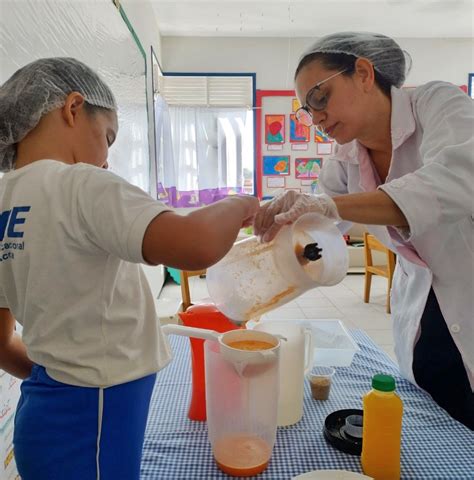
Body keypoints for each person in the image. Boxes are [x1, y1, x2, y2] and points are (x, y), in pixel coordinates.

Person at [0, 57, 260, 479]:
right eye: (107, 136)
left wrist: (59, 379)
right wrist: (241, 202)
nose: (105, 159)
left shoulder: (5, 201)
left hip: (48, 414)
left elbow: (1, 340)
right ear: (72, 108)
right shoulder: (81, 184)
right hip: (94, 417)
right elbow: (194, 246)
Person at [254, 32, 474, 429]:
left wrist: (328, 205)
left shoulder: (436, 104)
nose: (316, 118)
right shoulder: (347, 158)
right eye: (307, 110)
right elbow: (319, 225)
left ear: (363, 73)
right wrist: (279, 225)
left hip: (467, 289)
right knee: (438, 411)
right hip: (420, 305)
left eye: (320, 97)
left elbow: (457, 180)